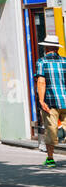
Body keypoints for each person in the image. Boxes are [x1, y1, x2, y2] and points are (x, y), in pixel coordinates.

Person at [35, 38, 66, 166]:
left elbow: (41, 82)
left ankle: (50, 159)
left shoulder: (42, 62)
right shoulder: (65, 61)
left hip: (50, 102)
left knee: (50, 129)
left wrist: (41, 101)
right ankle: (62, 130)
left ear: (46, 48)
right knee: (63, 126)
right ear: (57, 48)